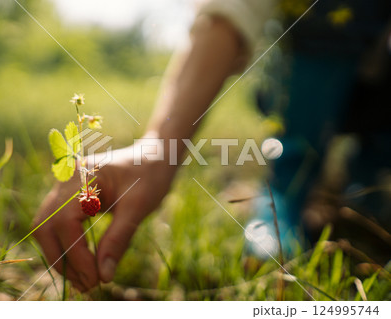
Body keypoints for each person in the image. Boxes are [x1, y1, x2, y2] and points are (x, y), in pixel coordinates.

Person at [33, 0, 391, 291]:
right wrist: (158, 148)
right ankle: (286, 190)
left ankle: (369, 187)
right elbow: (235, 9)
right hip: (316, 58)